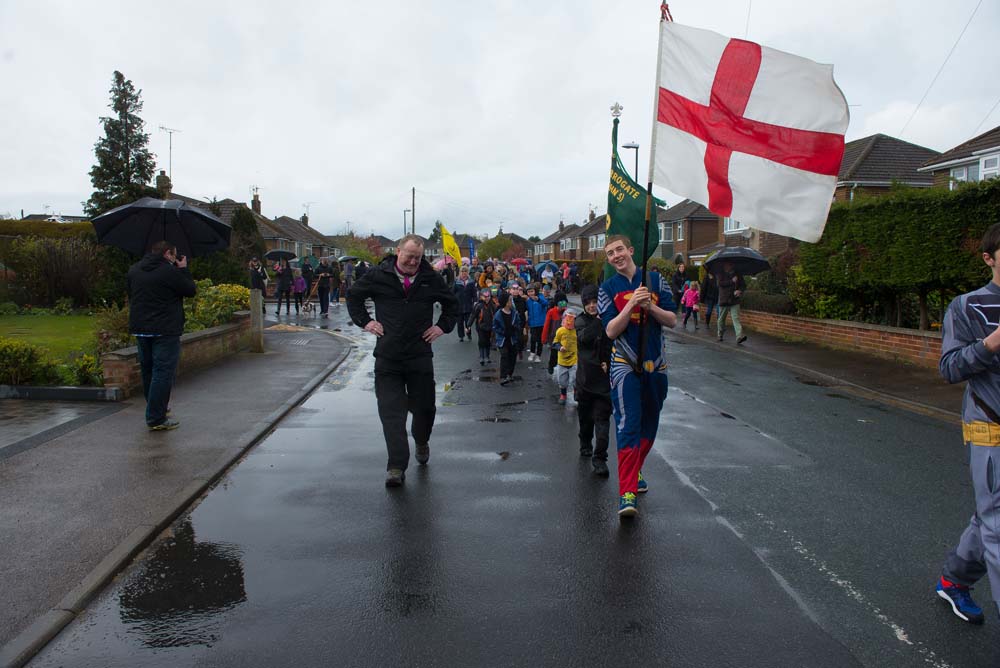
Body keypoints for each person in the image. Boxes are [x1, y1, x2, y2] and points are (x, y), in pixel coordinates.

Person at [346, 235, 459, 487]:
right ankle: (396, 466)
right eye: (409, 255)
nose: (413, 261)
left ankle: (421, 440)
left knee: (425, 410)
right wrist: (366, 321)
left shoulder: (430, 278)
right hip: (388, 358)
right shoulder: (378, 275)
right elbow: (353, 296)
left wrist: (441, 327)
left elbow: (453, 305)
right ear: (398, 252)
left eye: (418, 257)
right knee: (391, 413)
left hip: (419, 357)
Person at [934, 222, 1000, 625]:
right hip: (990, 428)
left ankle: (953, 580)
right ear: (989, 258)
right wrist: (991, 343)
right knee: (997, 524)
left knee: (988, 515)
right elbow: (949, 368)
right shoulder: (967, 306)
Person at [599, 235, 676, 519]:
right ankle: (627, 492)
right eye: (610, 253)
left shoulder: (655, 281)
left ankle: (635, 469)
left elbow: (672, 319)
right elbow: (610, 331)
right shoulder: (607, 288)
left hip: (656, 364)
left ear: (631, 251)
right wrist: (631, 306)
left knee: (650, 423)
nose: (616, 255)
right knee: (628, 424)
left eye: (619, 249)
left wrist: (650, 307)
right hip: (623, 364)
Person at [127, 240, 197, 431]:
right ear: (167, 254)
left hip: (141, 328)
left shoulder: (134, 270)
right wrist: (183, 269)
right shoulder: (169, 271)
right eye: (174, 255)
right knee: (163, 372)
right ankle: (156, 417)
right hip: (165, 329)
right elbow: (190, 290)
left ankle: (156, 408)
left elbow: (131, 295)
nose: (176, 258)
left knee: (148, 370)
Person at [576, 284, 612, 477]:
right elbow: (584, 338)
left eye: (595, 302)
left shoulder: (609, 321)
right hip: (585, 380)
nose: (592, 306)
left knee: (603, 422)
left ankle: (600, 459)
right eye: (588, 303)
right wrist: (599, 321)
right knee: (585, 419)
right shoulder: (580, 321)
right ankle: (585, 443)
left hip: (604, 382)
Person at [493, 292, 522, 384]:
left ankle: (510, 374)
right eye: (510, 300)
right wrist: (502, 332)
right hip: (502, 339)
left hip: (512, 339)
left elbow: (518, 323)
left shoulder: (514, 313)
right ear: (505, 302)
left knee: (512, 356)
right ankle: (503, 376)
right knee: (504, 356)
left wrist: (516, 328)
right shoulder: (498, 314)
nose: (511, 301)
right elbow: (495, 327)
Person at [717, 260, 747, 344]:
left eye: (731, 264)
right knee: (721, 320)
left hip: (734, 300)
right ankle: (720, 334)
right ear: (724, 264)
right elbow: (720, 283)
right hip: (724, 300)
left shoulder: (737, 274)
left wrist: (739, 291)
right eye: (728, 264)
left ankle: (739, 336)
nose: (729, 265)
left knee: (736, 318)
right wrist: (732, 281)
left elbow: (743, 285)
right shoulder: (720, 273)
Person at [552, 310, 578, 405]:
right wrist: (559, 347)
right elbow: (554, 342)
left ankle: (576, 392)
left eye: (572, 320)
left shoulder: (577, 331)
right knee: (562, 381)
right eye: (568, 319)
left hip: (574, 359)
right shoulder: (560, 331)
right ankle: (563, 395)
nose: (570, 322)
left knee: (576, 378)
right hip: (562, 361)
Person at [542, 291, 567, 375]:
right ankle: (551, 365)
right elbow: (546, 325)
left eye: (564, 302)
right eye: (561, 302)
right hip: (554, 338)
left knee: (564, 353)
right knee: (554, 354)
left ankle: (561, 369)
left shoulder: (567, 312)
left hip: (565, 338)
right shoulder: (551, 312)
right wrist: (544, 338)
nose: (563, 305)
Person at [470, 287, 496, 366]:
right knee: (481, 341)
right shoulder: (478, 305)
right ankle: (482, 356)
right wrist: (468, 325)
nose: (487, 298)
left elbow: (495, 315)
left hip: (489, 326)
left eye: (488, 296)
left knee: (487, 341)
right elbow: (473, 315)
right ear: (481, 296)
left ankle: (487, 356)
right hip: (480, 327)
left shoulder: (492, 305)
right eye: (485, 296)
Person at [525, 284, 549, 363]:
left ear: (535, 291)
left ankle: (538, 355)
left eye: (532, 291)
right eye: (529, 292)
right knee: (532, 338)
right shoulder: (528, 301)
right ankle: (532, 353)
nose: (530, 293)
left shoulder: (540, 297)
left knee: (540, 340)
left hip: (541, 323)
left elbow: (546, 303)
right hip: (532, 323)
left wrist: (538, 299)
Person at [453, 265, 477, 342]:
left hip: (468, 305)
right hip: (459, 305)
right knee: (459, 322)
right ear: (460, 273)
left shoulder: (471, 282)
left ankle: (469, 334)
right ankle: (461, 336)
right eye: (462, 271)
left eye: (465, 271)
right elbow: (452, 293)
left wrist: (475, 302)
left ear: (468, 272)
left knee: (468, 322)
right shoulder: (456, 282)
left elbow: (474, 293)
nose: (464, 273)